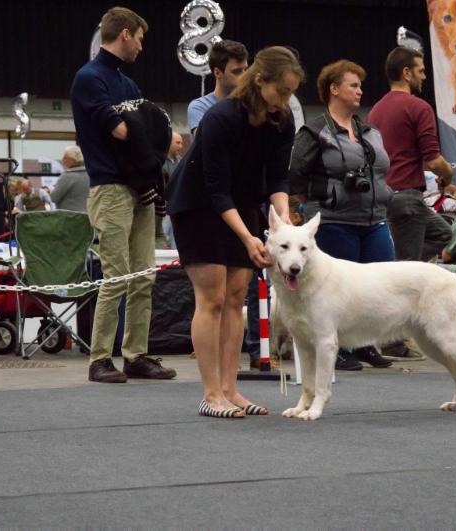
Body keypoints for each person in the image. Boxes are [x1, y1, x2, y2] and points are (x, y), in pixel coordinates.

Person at [167, 46, 303, 418]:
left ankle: (230, 389)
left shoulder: (282, 118)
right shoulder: (221, 118)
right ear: (260, 81)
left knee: (237, 297)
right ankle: (211, 393)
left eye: (292, 92)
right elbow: (215, 188)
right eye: (283, 91)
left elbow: (277, 176)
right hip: (198, 205)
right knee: (212, 296)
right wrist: (247, 237)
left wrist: (282, 225)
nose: (286, 100)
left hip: (241, 201)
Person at [71, 6, 176, 383]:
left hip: (139, 188)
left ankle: (136, 355)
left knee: (144, 275)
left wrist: (148, 133)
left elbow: (137, 129)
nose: (142, 47)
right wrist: (158, 136)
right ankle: (99, 358)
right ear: (126, 34)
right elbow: (119, 130)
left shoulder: (127, 85)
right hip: (110, 188)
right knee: (116, 275)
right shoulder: (89, 78)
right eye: (141, 38)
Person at [288, 59, 395, 371]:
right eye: (353, 85)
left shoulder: (369, 131)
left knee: (376, 288)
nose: (360, 90)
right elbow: (295, 176)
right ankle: (340, 348)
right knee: (336, 293)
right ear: (334, 89)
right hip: (334, 221)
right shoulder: (314, 131)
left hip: (373, 220)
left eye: (360, 85)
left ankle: (365, 344)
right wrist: (303, 209)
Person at [367, 46, 454, 361]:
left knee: (444, 235)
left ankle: (389, 334)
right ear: (406, 73)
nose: (424, 75)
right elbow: (433, 158)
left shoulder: (375, 111)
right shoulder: (418, 107)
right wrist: (450, 172)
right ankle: (391, 340)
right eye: (420, 70)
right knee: (404, 273)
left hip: (384, 198)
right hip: (408, 198)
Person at [187, 40, 249, 134]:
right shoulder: (200, 107)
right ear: (217, 73)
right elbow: (207, 143)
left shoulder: (250, 103)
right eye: (237, 71)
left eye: (246, 70)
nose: (244, 76)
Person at [160, 132, 184, 249]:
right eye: (178, 143)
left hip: (177, 207)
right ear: (168, 143)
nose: (181, 146)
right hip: (163, 208)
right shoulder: (159, 161)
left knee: (177, 239)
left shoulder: (181, 161)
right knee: (163, 235)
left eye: (182, 143)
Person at [50, 146, 89, 212]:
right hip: (87, 215)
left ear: (73, 160)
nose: (62, 160)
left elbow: (54, 198)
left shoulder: (67, 175)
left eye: (65, 158)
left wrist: (50, 190)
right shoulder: (89, 174)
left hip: (68, 216)